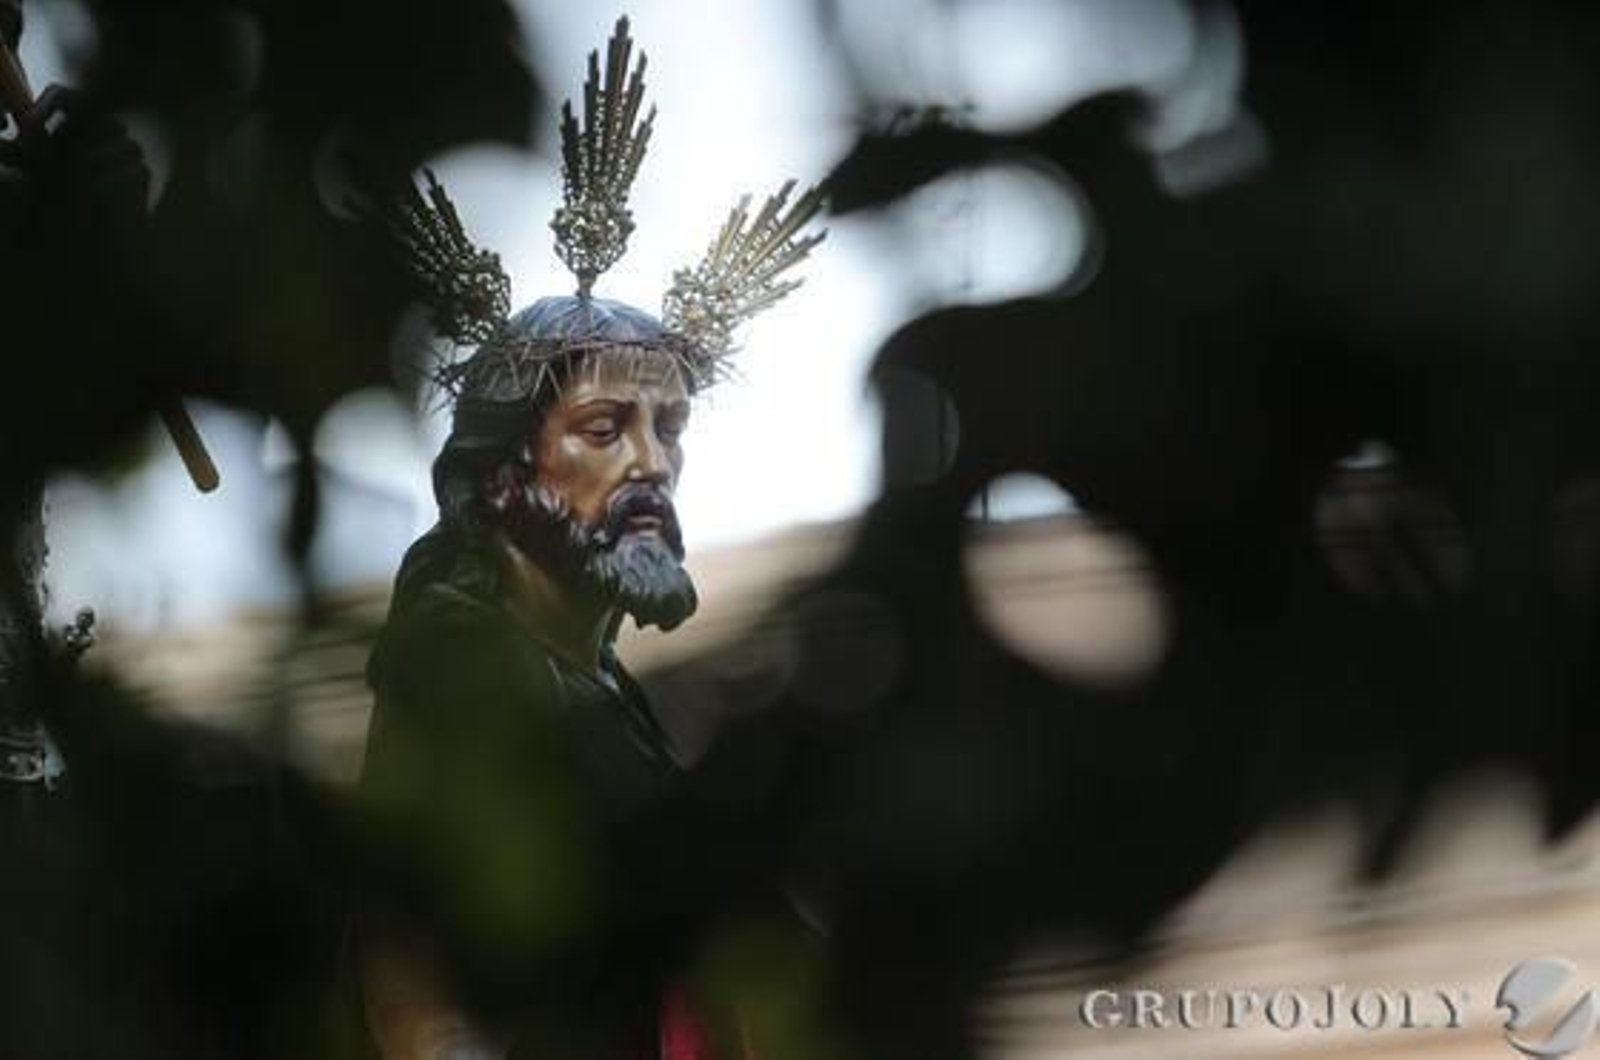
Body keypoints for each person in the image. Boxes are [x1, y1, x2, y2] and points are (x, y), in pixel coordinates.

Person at [354, 18, 823, 1058]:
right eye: (605, 429)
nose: (651, 464)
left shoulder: (599, 685)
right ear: (504, 474)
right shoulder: (461, 668)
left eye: (670, 429)